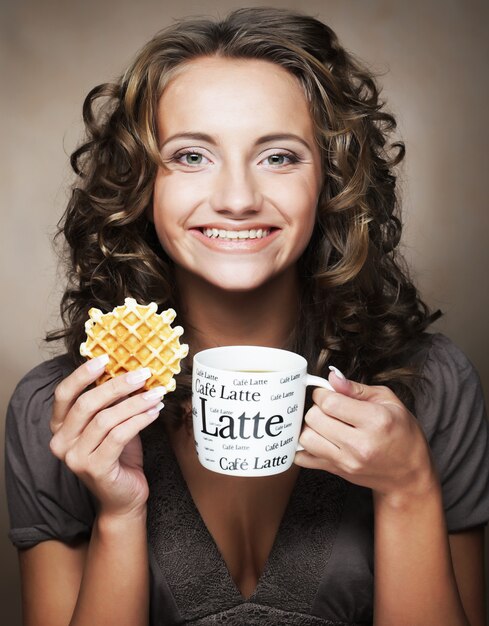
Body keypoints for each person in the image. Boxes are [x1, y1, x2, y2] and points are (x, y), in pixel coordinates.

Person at [5, 7, 489, 626]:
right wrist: (119, 516)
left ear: (332, 179)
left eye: (279, 157)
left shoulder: (434, 385)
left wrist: (408, 490)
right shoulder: (59, 412)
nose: (237, 200)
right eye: (191, 156)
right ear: (142, 184)